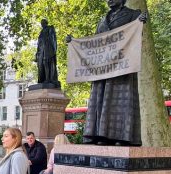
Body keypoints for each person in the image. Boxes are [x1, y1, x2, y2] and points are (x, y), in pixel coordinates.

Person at [69, 0, 147, 146]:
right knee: (100, 101)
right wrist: (75, 43)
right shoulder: (102, 21)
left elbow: (136, 35)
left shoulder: (133, 14)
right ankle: (100, 135)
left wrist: (140, 23)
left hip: (122, 69)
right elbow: (94, 44)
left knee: (121, 103)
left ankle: (122, 137)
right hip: (102, 70)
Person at [35, 19, 58, 85]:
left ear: (46, 23)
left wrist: (52, 50)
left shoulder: (50, 28)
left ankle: (48, 79)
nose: (42, 24)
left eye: (43, 22)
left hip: (48, 49)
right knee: (42, 64)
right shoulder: (41, 32)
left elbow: (52, 39)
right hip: (41, 51)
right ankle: (45, 79)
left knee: (47, 63)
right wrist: (37, 53)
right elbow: (39, 43)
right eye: (41, 23)